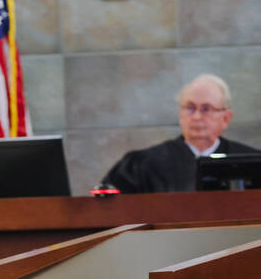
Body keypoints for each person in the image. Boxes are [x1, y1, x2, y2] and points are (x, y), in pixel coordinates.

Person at [101, 74, 259, 193]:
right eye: (190, 108)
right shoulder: (141, 165)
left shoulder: (253, 162)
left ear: (225, 118)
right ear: (180, 114)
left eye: (206, 109)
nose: (196, 116)